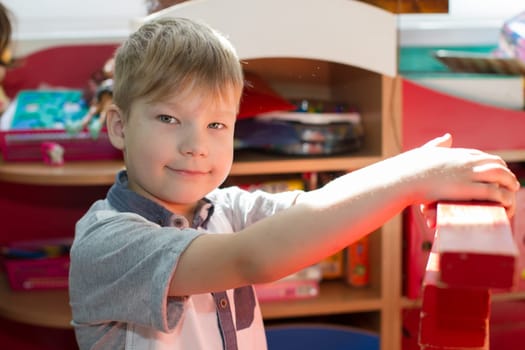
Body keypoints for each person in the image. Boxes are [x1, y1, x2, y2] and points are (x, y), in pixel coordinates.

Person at [68, 17, 520, 350]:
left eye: (216, 125)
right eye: (169, 118)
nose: (196, 146)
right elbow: (252, 258)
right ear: (119, 127)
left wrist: (416, 169)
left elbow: (317, 207)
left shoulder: (226, 208)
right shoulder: (108, 242)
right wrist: (411, 180)